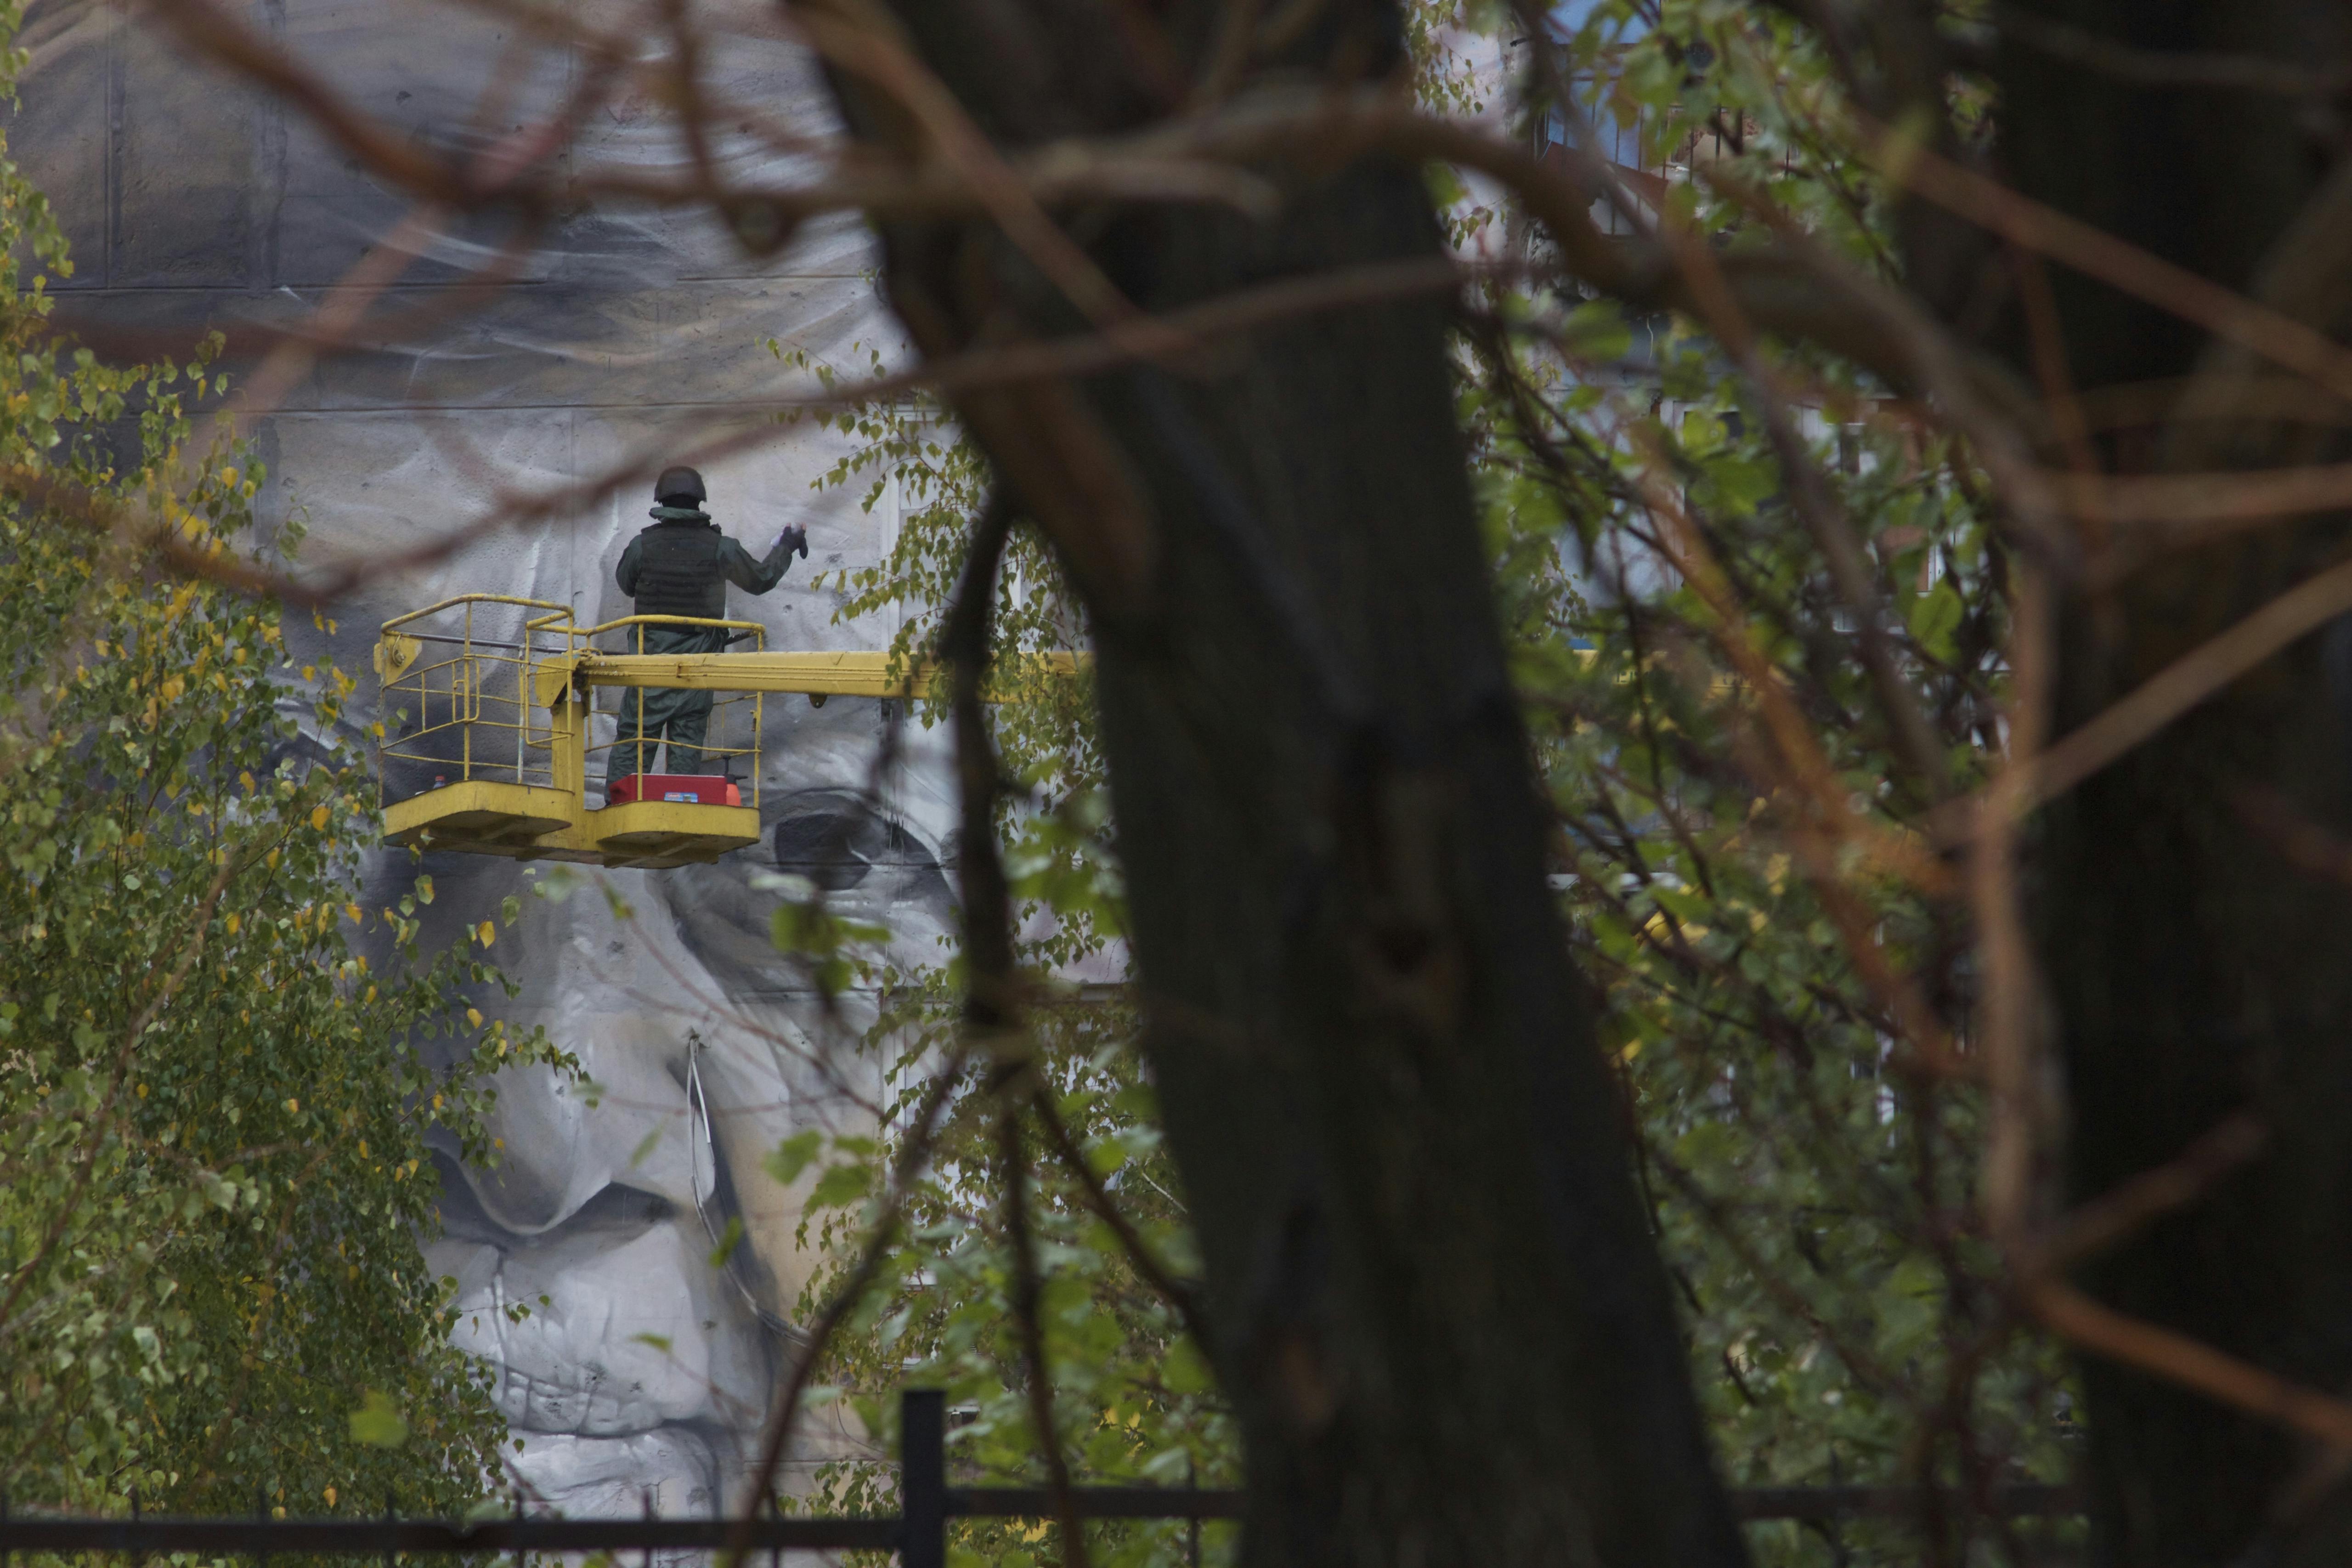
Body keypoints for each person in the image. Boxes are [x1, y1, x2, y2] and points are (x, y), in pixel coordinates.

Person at [606, 465, 807, 794]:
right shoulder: (721, 547)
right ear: (700, 502)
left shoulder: (642, 546)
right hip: (698, 672)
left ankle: (620, 807)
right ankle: (679, 814)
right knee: (686, 750)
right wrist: (786, 544)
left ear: (661, 501)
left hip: (649, 670)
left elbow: (625, 584)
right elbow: (760, 579)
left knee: (635, 740)